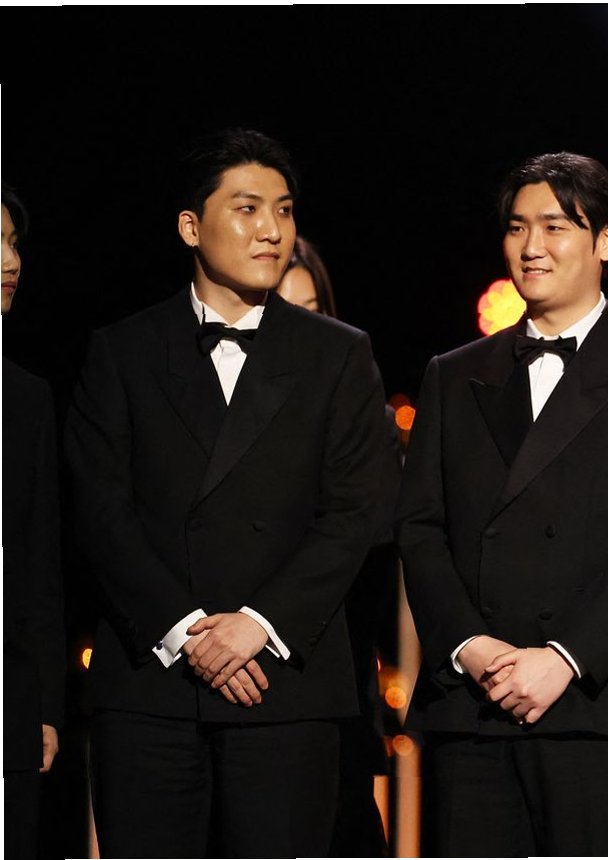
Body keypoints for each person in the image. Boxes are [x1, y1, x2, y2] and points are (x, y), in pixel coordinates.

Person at [64, 129, 395, 858]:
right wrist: (186, 631)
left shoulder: (338, 353)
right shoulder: (122, 351)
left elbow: (353, 513)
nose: (272, 229)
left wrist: (257, 625)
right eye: (247, 209)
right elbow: (100, 512)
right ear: (191, 226)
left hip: (284, 685)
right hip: (151, 688)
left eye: (284, 210)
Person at [396, 151, 608, 856]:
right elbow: (419, 528)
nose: (531, 247)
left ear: (607, 241)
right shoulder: (454, 374)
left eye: (554, 227)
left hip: (590, 707)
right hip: (471, 704)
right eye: (517, 228)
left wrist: (563, 658)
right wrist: (472, 647)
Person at [274, 233, 398, 858]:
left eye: (313, 311)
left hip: (335, 693)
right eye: (281, 311)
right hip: (242, 691)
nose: (301, 330)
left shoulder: (366, 423)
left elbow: (370, 546)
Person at [2, 185, 66, 860]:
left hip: (8, 709)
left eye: (13, 243)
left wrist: (45, 706)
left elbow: (38, 565)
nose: (10, 260)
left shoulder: (25, 398)